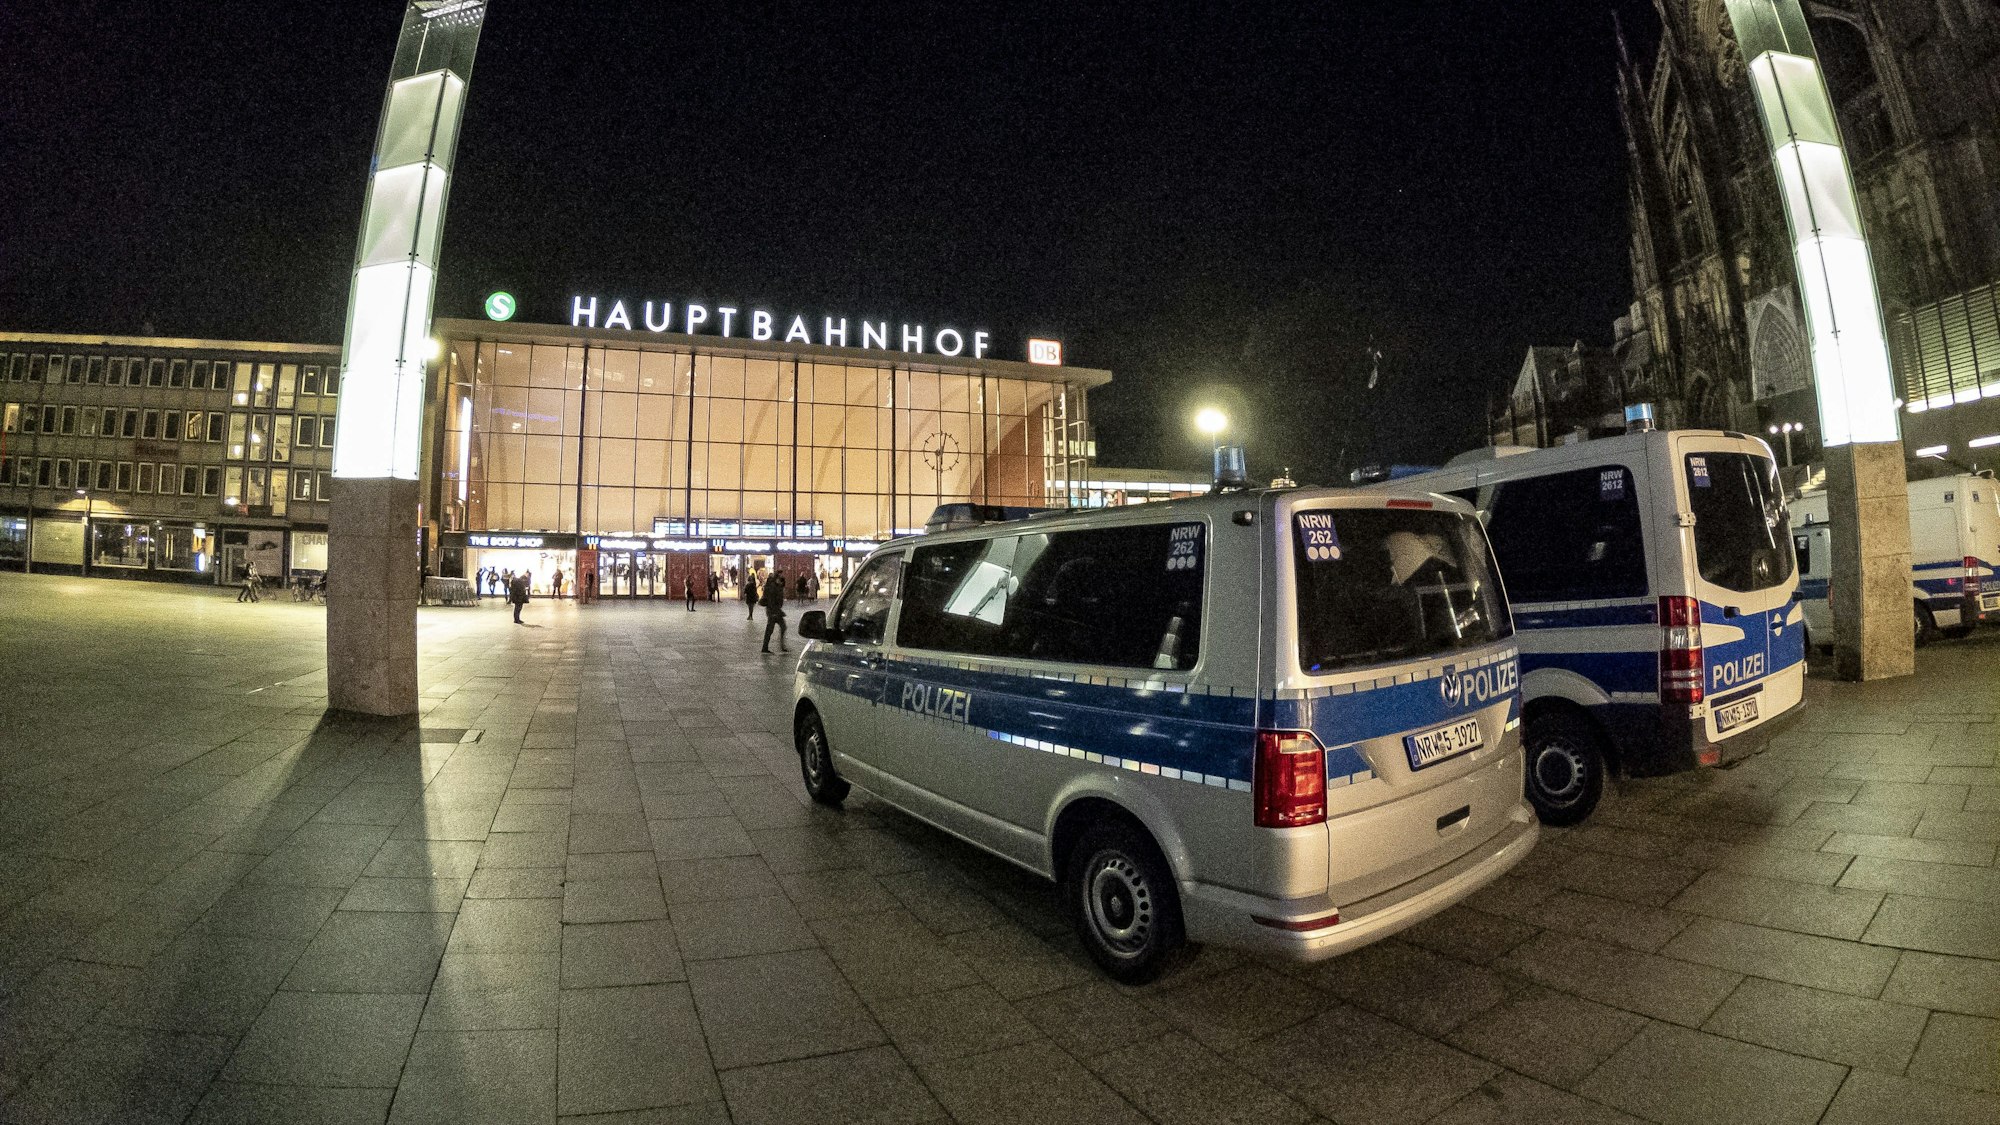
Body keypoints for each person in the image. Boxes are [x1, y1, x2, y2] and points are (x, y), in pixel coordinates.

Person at [759, 572, 789, 653]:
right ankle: (767, 647)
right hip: (773, 611)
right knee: (772, 629)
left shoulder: (777, 586)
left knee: (778, 627)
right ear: (777, 578)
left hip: (775, 611)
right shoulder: (773, 587)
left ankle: (778, 646)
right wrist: (773, 612)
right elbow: (771, 600)